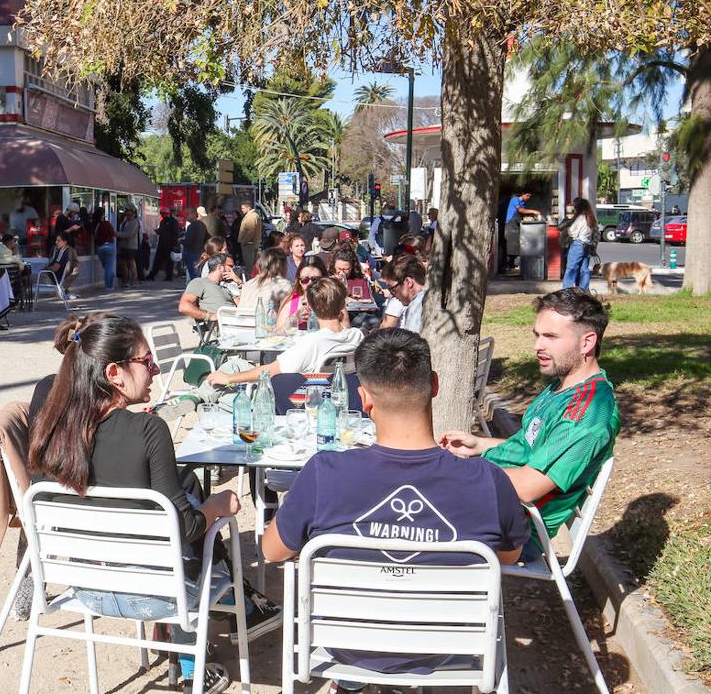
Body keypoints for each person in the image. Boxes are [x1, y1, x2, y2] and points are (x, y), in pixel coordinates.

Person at [27, 314, 280, 693]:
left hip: (88, 588)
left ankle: (213, 634)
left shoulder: (51, 429)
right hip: (158, 593)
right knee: (206, 509)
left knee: (186, 487)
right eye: (146, 362)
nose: (156, 369)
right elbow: (186, 528)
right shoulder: (147, 429)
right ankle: (230, 612)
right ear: (114, 372)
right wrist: (220, 506)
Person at [262, 328, 527, 683]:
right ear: (434, 385)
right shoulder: (489, 481)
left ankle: (354, 680)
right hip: (446, 644)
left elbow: (272, 550)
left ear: (364, 398)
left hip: (345, 641)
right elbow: (508, 557)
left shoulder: (324, 473)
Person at [440, 289, 619, 557]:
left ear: (587, 343)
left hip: (512, 528)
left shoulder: (587, 413)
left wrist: (457, 475)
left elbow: (526, 487)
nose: (538, 346)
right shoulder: (561, 389)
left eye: (551, 337)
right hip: (492, 509)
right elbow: (532, 447)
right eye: (537, 335)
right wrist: (480, 445)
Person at [208, 277, 364, 387]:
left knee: (232, 369)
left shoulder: (312, 343)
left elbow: (271, 370)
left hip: (308, 398)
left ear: (310, 306)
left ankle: (197, 396)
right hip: (340, 394)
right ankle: (198, 394)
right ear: (343, 304)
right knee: (236, 365)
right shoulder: (357, 336)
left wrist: (229, 379)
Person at [179, 253, 241, 324]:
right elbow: (183, 306)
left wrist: (239, 282)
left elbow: (244, 306)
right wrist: (209, 316)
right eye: (230, 266)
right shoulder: (199, 282)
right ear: (220, 268)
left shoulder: (225, 288)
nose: (233, 270)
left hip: (238, 324)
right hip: (224, 328)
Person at [275, 258, 328, 333]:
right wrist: (294, 319)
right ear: (299, 281)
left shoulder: (332, 301)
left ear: (324, 279)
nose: (310, 284)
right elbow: (277, 334)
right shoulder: (292, 302)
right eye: (304, 280)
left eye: (315, 280)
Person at [379, 253, 427, 333]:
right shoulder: (423, 298)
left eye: (393, 289)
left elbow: (414, 343)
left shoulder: (416, 305)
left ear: (408, 282)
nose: (393, 296)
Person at [238, 247, 292, 316]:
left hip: (240, 325)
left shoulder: (247, 284)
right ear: (282, 265)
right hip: (264, 325)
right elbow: (290, 313)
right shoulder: (283, 285)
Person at [502, 190, 542, 272]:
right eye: (527, 195)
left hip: (517, 225)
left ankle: (514, 265)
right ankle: (506, 266)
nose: (528, 198)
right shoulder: (515, 199)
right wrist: (534, 211)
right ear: (523, 194)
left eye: (529, 196)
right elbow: (521, 211)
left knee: (517, 245)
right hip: (510, 225)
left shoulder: (523, 203)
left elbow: (523, 213)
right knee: (510, 246)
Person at [563, 198, 597, 290]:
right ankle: (584, 290)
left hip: (578, 244)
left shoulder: (580, 218)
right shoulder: (590, 217)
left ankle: (567, 290)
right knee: (584, 269)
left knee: (571, 268)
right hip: (587, 245)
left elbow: (572, 232)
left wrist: (568, 228)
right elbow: (595, 234)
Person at [147, 207, 181, 281]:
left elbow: (175, 233)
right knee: (157, 261)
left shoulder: (173, 222)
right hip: (162, 244)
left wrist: (174, 244)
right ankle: (152, 275)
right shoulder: (163, 221)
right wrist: (158, 231)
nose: (163, 215)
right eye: (162, 214)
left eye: (164, 214)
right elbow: (163, 232)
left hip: (169, 245)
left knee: (169, 262)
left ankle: (168, 276)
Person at [45, 233, 79, 299]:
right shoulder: (66, 251)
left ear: (65, 242)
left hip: (53, 278)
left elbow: (55, 268)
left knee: (29, 279)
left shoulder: (63, 252)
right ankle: (65, 293)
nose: (56, 242)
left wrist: (46, 268)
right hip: (56, 278)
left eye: (58, 240)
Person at [180, 207, 208, 282]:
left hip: (192, 253)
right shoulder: (202, 225)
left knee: (194, 275)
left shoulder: (191, 226)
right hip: (200, 252)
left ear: (194, 214)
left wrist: (180, 241)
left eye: (187, 214)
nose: (186, 216)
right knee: (198, 274)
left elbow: (188, 241)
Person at [116, 206, 141, 288]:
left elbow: (129, 234)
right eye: (125, 210)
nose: (126, 212)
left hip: (131, 246)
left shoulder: (134, 222)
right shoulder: (125, 221)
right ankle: (125, 281)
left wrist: (117, 233)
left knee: (131, 264)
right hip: (123, 245)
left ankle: (133, 282)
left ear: (132, 212)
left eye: (127, 210)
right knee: (123, 264)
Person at [237, 200, 262, 273]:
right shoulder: (253, 215)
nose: (242, 210)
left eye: (243, 208)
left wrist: (244, 241)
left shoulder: (251, 216)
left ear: (248, 208)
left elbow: (251, 231)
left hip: (249, 244)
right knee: (252, 264)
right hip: (251, 243)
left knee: (249, 265)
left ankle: (250, 278)